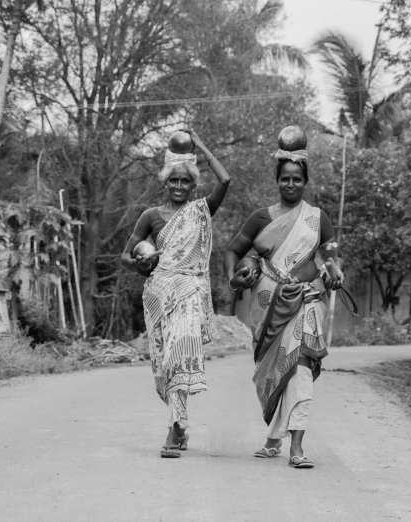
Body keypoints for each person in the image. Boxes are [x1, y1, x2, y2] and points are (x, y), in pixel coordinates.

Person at [223, 145, 344, 469]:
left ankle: (297, 447)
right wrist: (235, 279)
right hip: (267, 306)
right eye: (285, 179)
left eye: (297, 180)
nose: (291, 185)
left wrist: (334, 272)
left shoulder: (318, 218)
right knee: (277, 372)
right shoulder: (261, 217)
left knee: (300, 368)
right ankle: (274, 437)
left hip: (307, 301)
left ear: (305, 182)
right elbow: (232, 252)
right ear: (277, 181)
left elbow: (331, 257)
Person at [121, 130, 230, 458]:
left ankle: (174, 429)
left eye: (185, 181)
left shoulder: (201, 211)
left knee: (178, 356)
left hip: (189, 293)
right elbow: (126, 256)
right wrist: (142, 262)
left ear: (193, 183)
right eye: (174, 181)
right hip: (158, 296)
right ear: (165, 182)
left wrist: (199, 143)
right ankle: (180, 425)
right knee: (163, 368)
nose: (179, 187)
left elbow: (225, 180)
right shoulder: (151, 216)